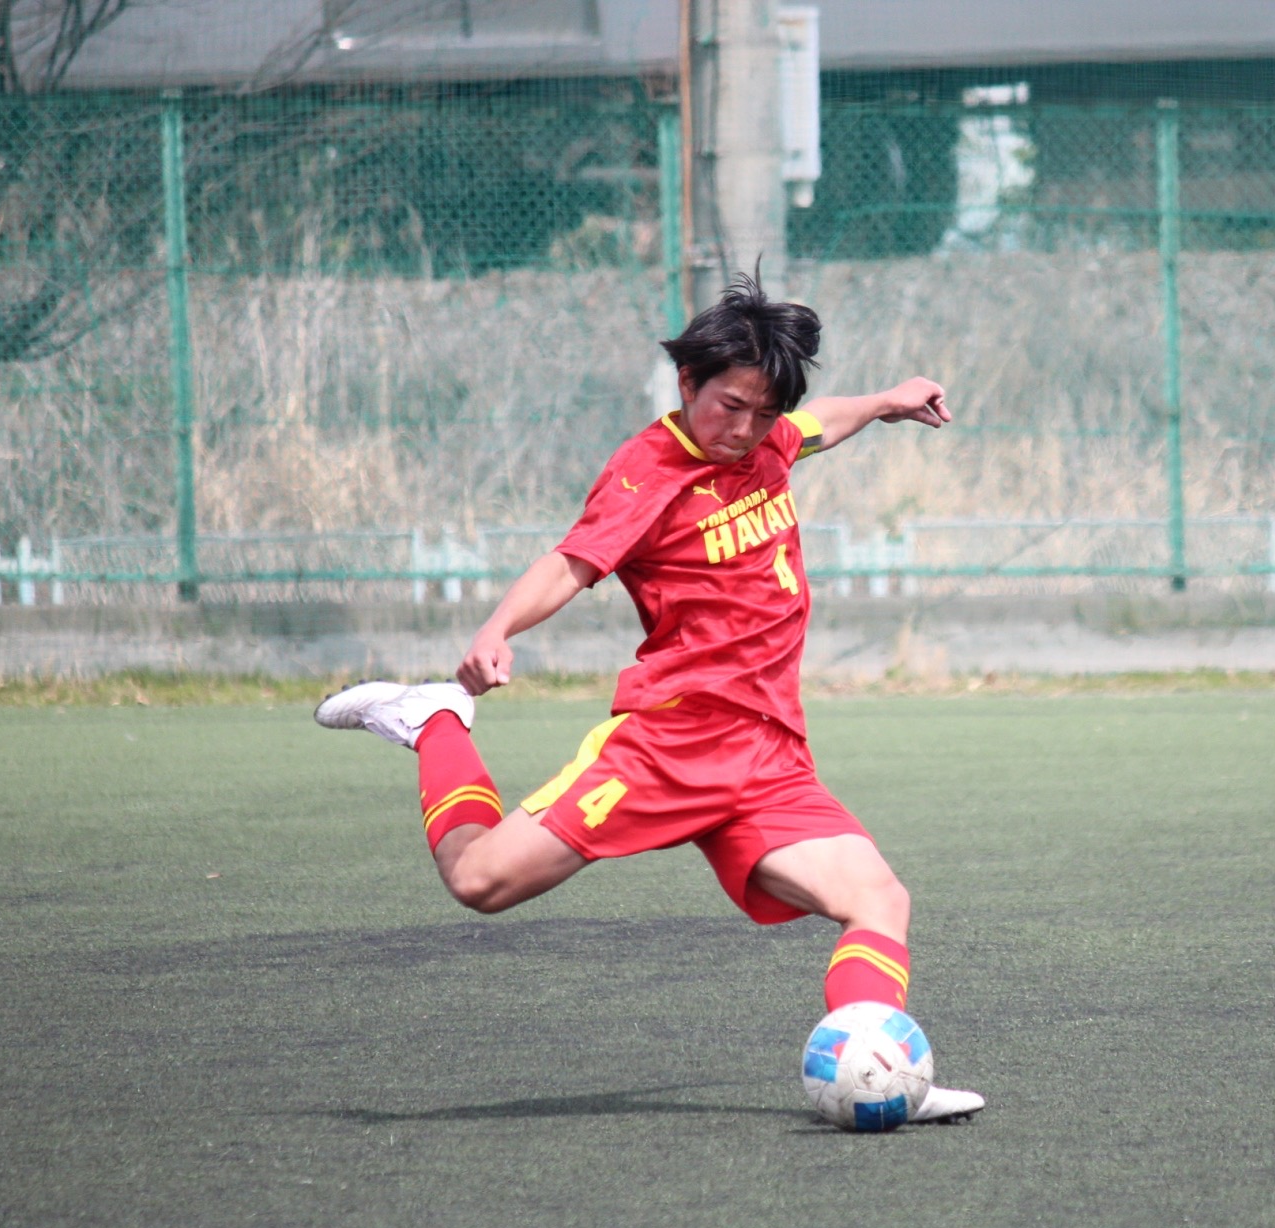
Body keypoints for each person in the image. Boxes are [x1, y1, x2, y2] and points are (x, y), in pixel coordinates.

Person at [314, 275, 982, 1123]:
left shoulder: (768, 443)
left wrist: (887, 401)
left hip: (768, 757)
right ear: (687, 383)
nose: (743, 429)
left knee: (880, 899)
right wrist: (498, 627)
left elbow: (821, 422)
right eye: (729, 406)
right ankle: (433, 721)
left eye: (762, 413)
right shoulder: (646, 471)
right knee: (479, 879)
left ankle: (883, 1072)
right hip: (670, 743)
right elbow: (570, 564)